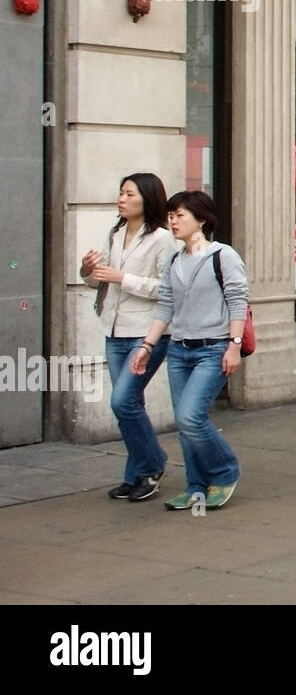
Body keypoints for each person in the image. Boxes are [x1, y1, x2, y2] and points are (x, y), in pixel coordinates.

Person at [132, 191, 246, 511]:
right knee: (185, 425)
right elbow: (166, 306)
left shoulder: (223, 256)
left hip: (213, 349)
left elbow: (238, 302)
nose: (173, 220)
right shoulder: (173, 259)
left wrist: (233, 347)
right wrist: (147, 345)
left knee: (190, 417)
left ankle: (225, 471)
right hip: (178, 350)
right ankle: (196, 486)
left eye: (180, 215)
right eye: (171, 215)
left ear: (202, 220)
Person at [82, 173, 178, 502]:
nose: (121, 199)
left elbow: (167, 290)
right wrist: (88, 269)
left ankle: (153, 464)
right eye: (120, 193)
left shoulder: (163, 239)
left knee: (122, 401)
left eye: (128, 194)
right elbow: (97, 282)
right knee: (129, 405)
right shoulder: (116, 232)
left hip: (147, 333)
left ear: (147, 199)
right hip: (115, 329)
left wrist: (123, 278)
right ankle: (135, 474)